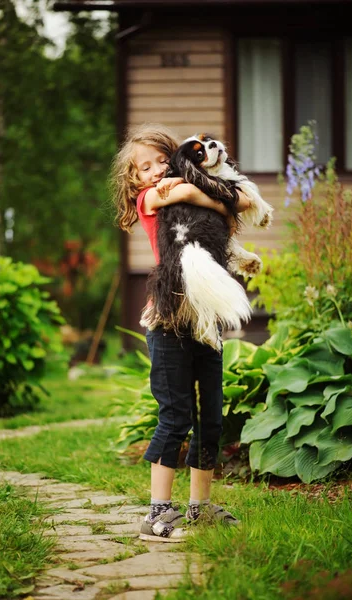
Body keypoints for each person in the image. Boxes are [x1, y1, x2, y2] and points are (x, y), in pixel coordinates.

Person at [110, 123, 251, 542]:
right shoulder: (149, 197)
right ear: (133, 178)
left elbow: (241, 200)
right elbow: (200, 197)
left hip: (203, 320)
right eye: (143, 167)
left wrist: (209, 193)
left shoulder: (191, 183)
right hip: (168, 319)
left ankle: (200, 507)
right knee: (175, 417)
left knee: (210, 416)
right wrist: (202, 191)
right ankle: (156, 512)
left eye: (160, 162)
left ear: (174, 159)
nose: (153, 172)